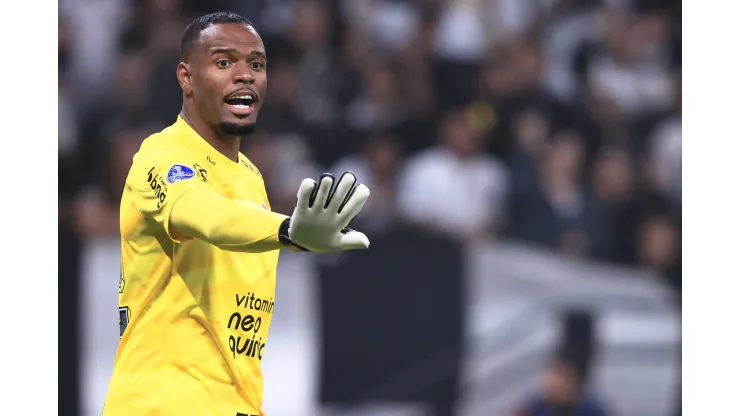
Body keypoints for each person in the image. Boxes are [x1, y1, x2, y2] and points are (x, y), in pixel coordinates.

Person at [103, 12, 371, 416]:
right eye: (224, 62)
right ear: (186, 77)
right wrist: (288, 231)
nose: (245, 75)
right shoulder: (162, 155)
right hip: (163, 402)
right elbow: (205, 216)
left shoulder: (250, 179)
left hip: (235, 403)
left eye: (257, 64)